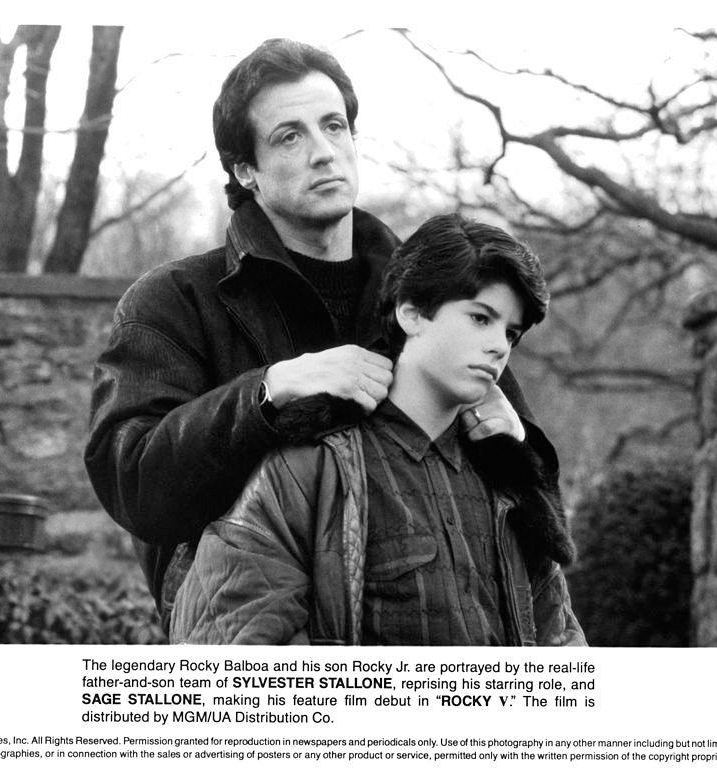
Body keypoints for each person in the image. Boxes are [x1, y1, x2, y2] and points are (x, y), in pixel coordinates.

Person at [84, 39, 560, 636]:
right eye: (290, 136)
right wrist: (266, 394)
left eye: (334, 126)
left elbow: (536, 524)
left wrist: (520, 452)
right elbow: (135, 487)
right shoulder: (173, 302)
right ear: (244, 170)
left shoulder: (432, 294)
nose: (324, 153)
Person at [169, 214, 585, 645]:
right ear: (412, 313)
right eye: (481, 318)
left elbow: (564, 653)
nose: (500, 345)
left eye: (511, 333)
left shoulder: (509, 484)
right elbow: (226, 659)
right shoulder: (309, 469)